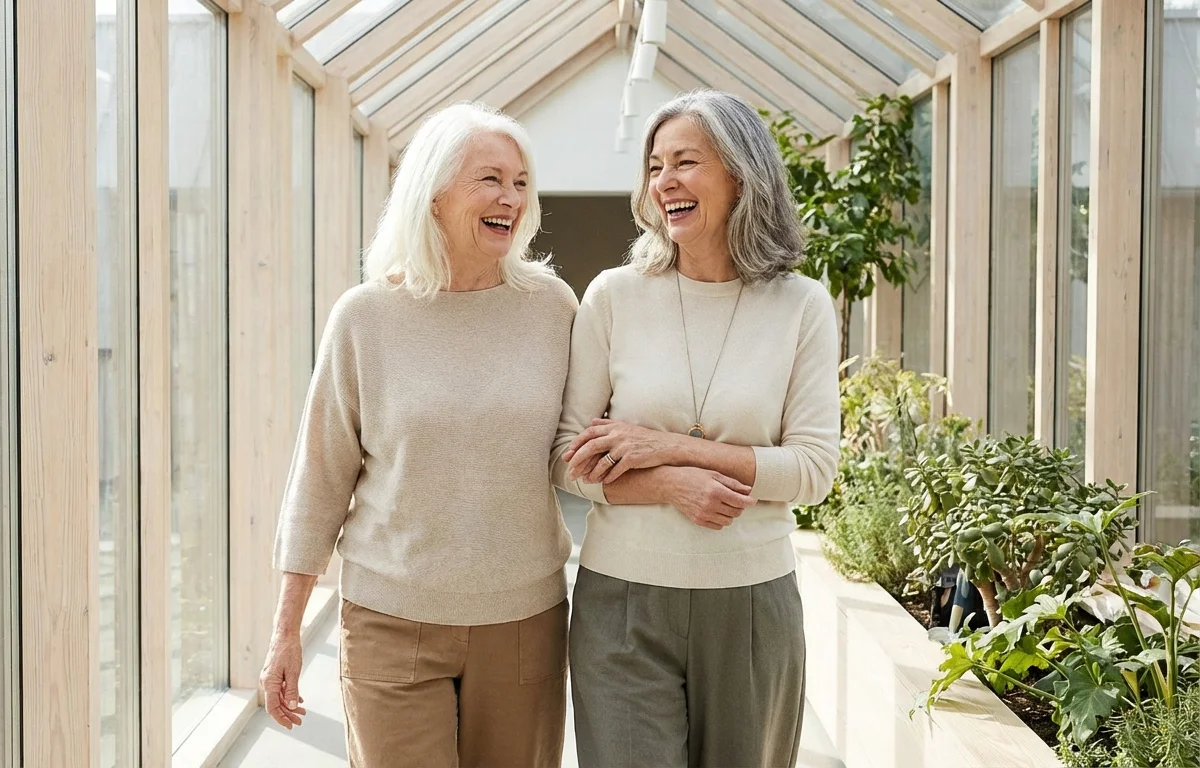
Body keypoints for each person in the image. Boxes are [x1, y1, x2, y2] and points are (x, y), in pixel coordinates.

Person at [264, 101, 575, 768]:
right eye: (489, 179)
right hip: (389, 619)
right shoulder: (366, 317)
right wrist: (285, 632)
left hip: (523, 620)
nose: (510, 198)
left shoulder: (552, 309)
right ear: (433, 192)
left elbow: (578, 450)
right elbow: (319, 478)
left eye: (521, 182)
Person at [553, 89, 841, 768]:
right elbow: (567, 459)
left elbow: (812, 470)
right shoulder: (614, 296)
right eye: (655, 167)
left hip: (750, 609)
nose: (665, 182)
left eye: (686, 162)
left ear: (741, 174)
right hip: (621, 604)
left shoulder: (801, 305)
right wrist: (669, 485)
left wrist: (664, 447)